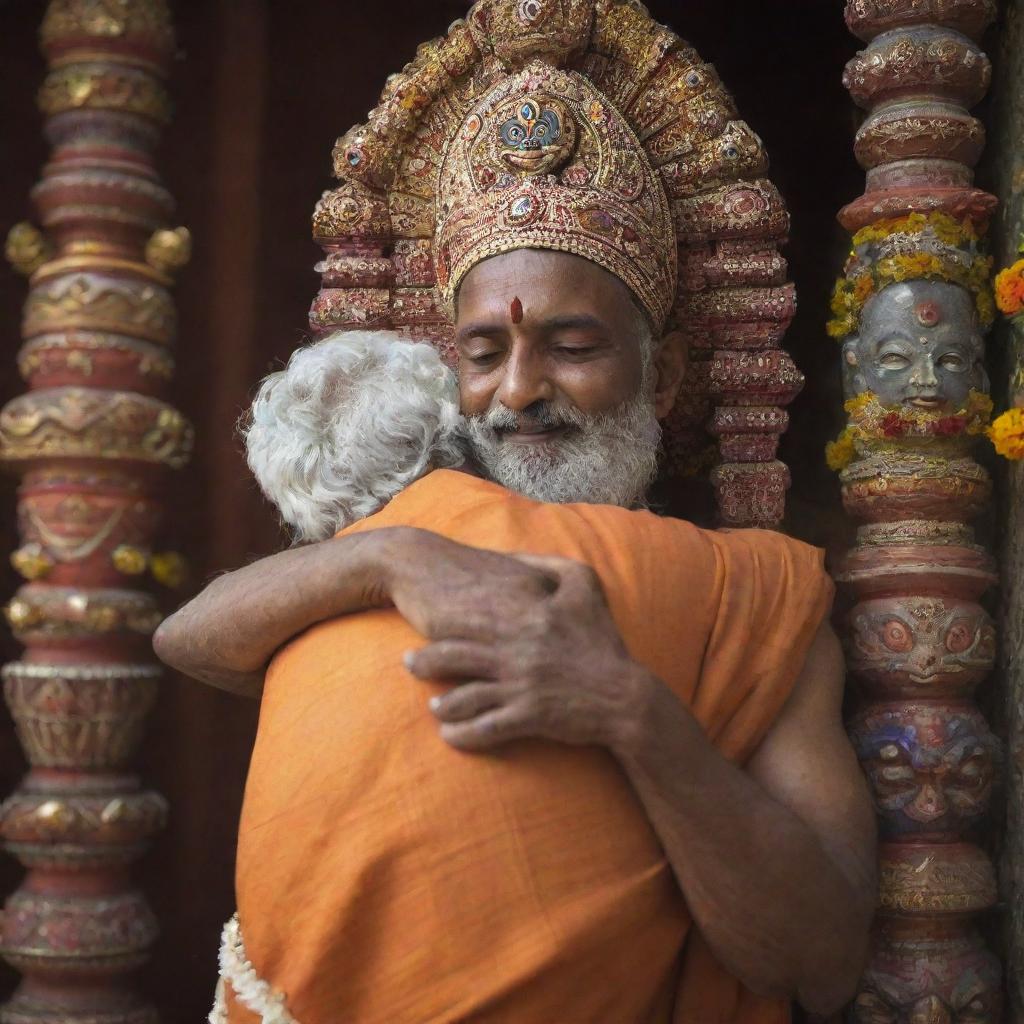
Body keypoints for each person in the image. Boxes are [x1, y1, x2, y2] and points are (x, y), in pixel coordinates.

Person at [156, 3, 877, 1020]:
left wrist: (629, 711)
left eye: (572, 347)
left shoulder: (748, 594)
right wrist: (395, 558)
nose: (518, 390)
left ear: (661, 372)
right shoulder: (409, 526)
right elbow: (187, 638)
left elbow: (816, 958)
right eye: (484, 353)